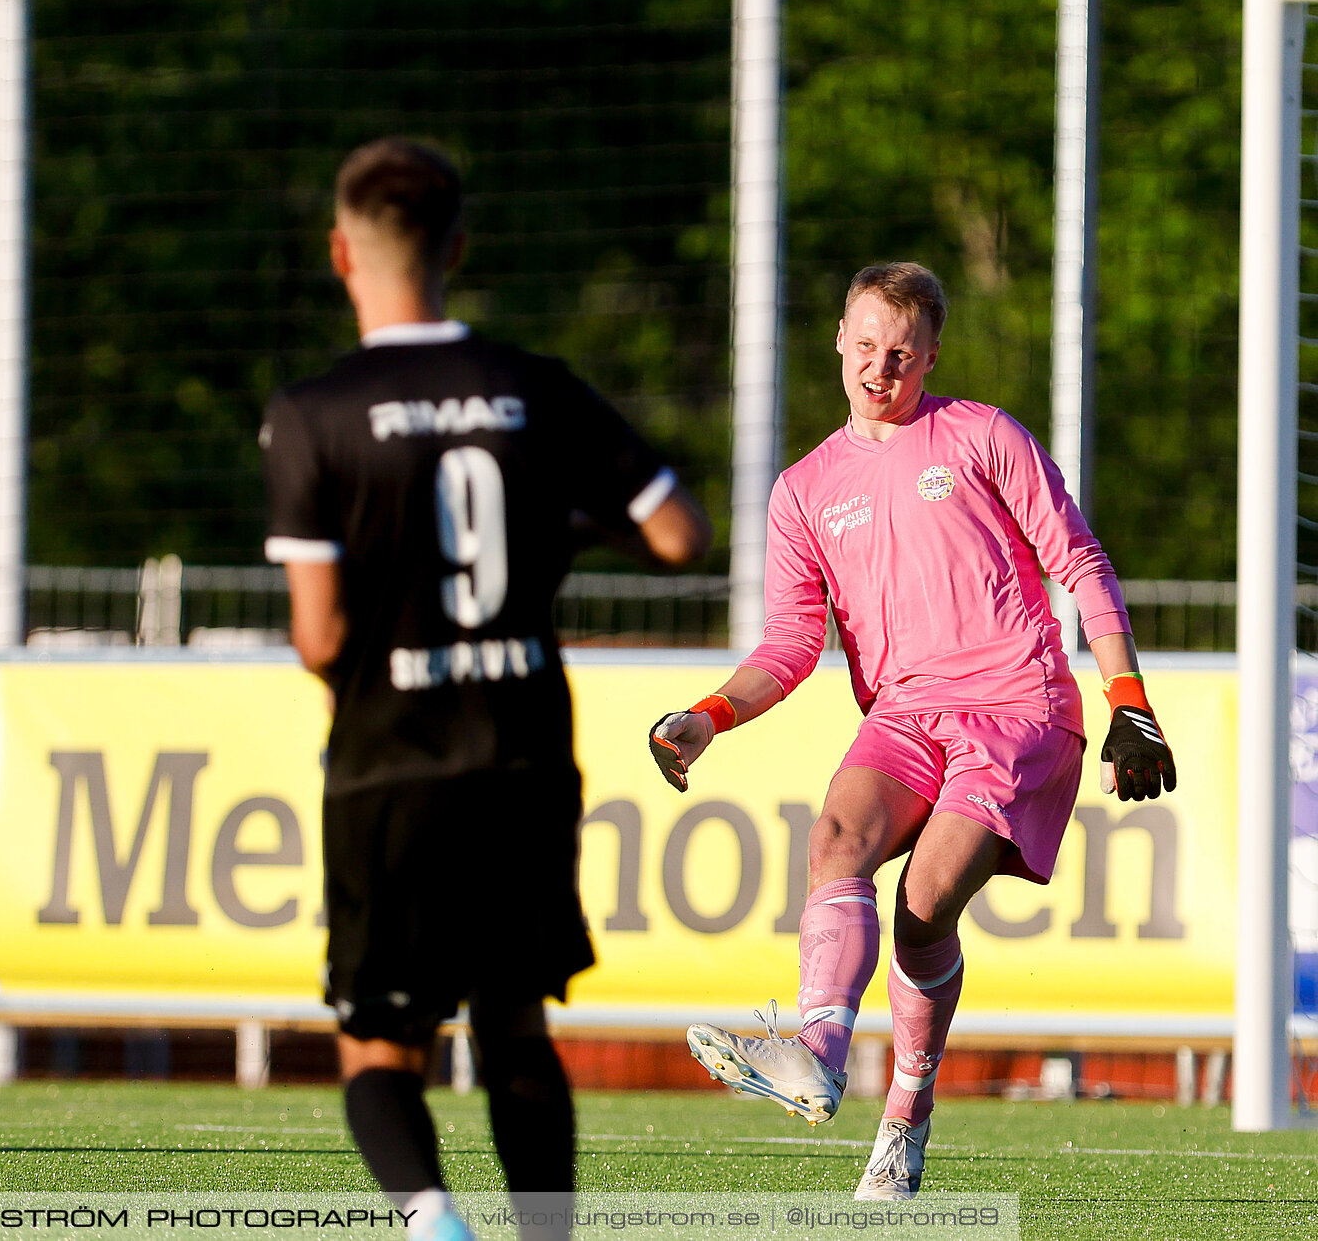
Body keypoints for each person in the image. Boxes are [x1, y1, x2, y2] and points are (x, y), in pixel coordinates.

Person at [648, 262, 1175, 1201]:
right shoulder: (805, 488)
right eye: (863, 347)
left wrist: (1128, 703)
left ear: (930, 354)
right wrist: (707, 716)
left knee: (925, 901)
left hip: (1018, 708)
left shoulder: (980, 435)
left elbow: (1081, 561)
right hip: (903, 712)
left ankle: (905, 1119)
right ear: (838, 343)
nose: (878, 368)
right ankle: (815, 1051)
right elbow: (790, 643)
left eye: (900, 352)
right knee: (834, 838)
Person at [263, 137, 711, 1241]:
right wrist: (552, 535)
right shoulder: (533, 388)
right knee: (514, 1026)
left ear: (339, 252)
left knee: (379, 1043)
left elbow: (318, 637)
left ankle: (431, 1220)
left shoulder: (312, 413)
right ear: (458, 247)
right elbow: (678, 532)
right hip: (518, 754)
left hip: (388, 761)